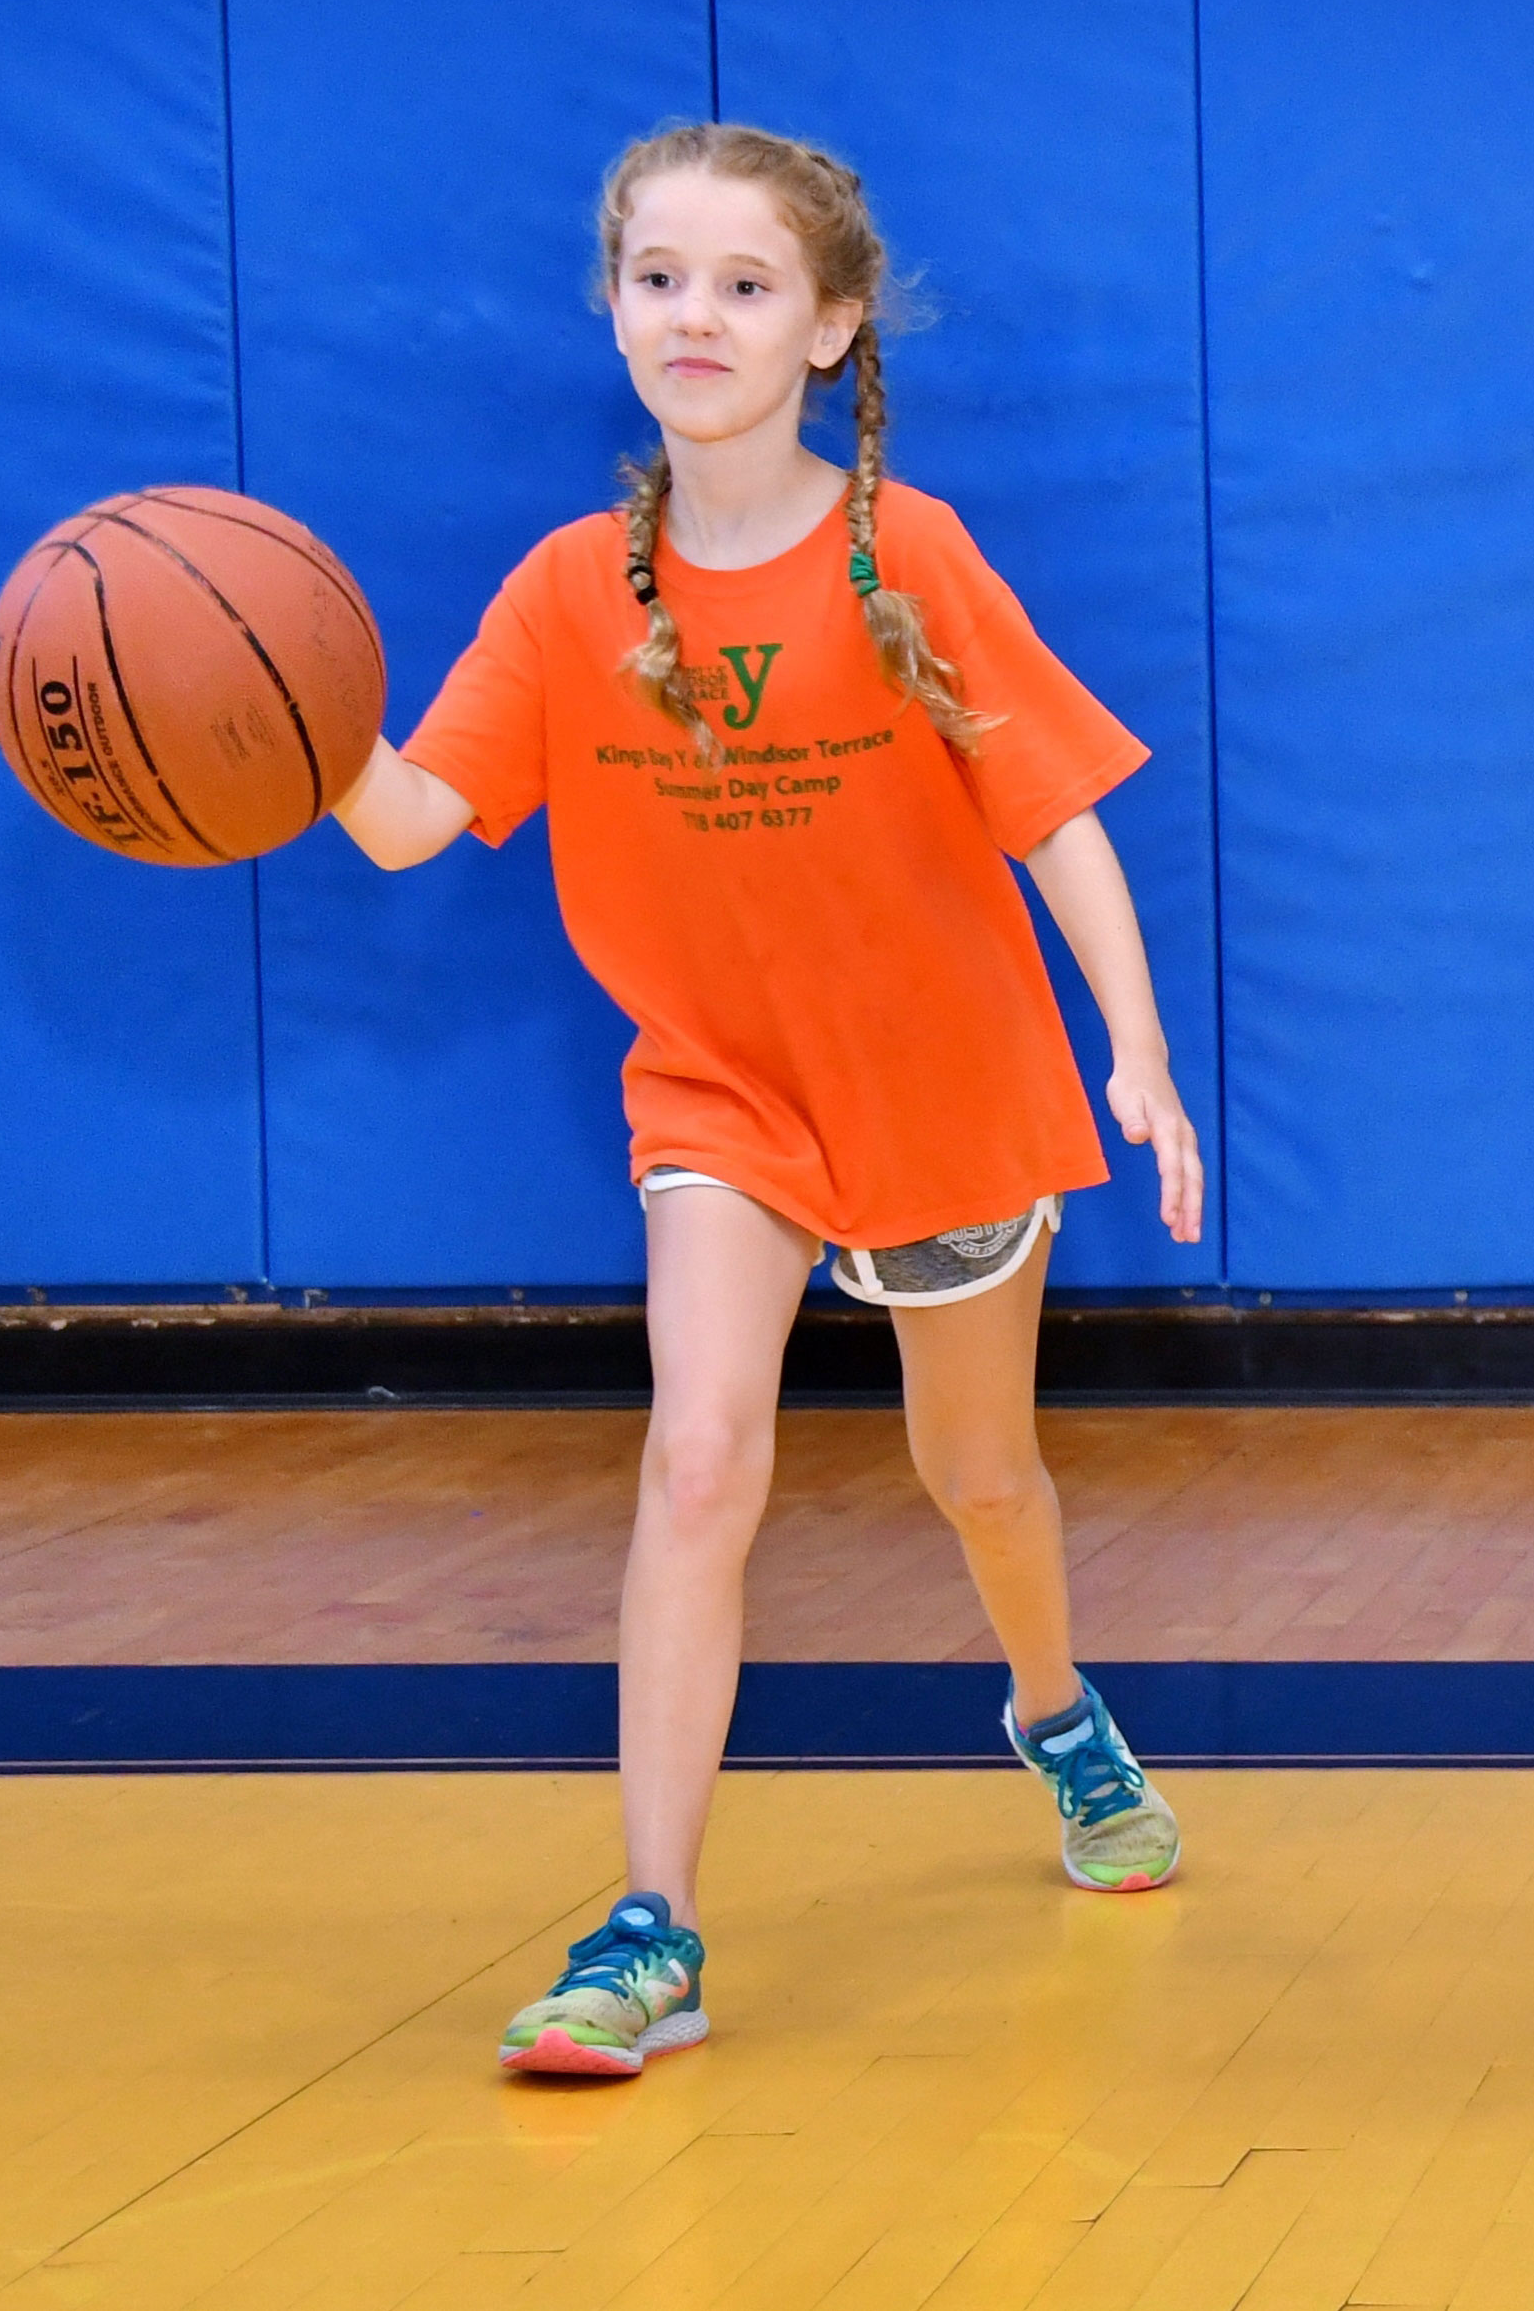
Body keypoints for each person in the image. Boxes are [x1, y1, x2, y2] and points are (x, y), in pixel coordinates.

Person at [330, 122, 1210, 2075]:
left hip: (944, 1084)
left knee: (974, 1476)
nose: (694, 315)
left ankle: (1055, 1710)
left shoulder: (912, 555)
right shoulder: (568, 592)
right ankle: (656, 1925)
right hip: (719, 1095)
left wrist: (1134, 1052)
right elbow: (407, 826)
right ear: (613, 312)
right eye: (657, 278)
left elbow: (1051, 815)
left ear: (830, 326)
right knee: (699, 1459)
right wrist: (280, 723)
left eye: (742, 284)